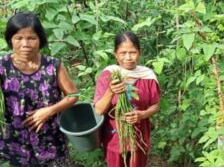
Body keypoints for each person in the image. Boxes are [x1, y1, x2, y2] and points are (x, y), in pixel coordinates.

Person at [0, 12, 78, 166]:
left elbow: (73, 95)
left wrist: (49, 111)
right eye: (18, 38)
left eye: (31, 38)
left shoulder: (53, 65)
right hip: (14, 142)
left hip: (51, 140)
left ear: (40, 39)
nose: (25, 44)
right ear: (10, 40)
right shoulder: (3, 66)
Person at [93, 31, 160, 167]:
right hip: (114, 140)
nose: (128, 57)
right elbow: (98, 110)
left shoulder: (148, 76)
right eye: (123, 53)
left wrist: (142, 114)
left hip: (139, 139)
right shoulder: (109, 75)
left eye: (133, 52)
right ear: (115, 54)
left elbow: (155, 105)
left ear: (139, 53)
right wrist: (110, 91)